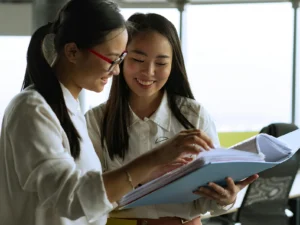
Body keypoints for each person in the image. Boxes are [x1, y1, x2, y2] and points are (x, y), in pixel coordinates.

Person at [0, 2, 213, 225]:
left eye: (120, 59)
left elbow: (92, 196)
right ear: (72, 51)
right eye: (112, 59)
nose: (117, 70)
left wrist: (151, 175)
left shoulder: (69, 111)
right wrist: (153, 158)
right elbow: (71, 199)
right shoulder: (33, 109)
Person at [85, 13, 258, 225]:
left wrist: (225, 198)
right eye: (138, 60)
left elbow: (206, 200)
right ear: (120, 59)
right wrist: (145, 176)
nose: (149, 72)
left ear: (172, 65)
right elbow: (88, 198)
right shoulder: (95, 121)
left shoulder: (194, 116)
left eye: (161, 63)